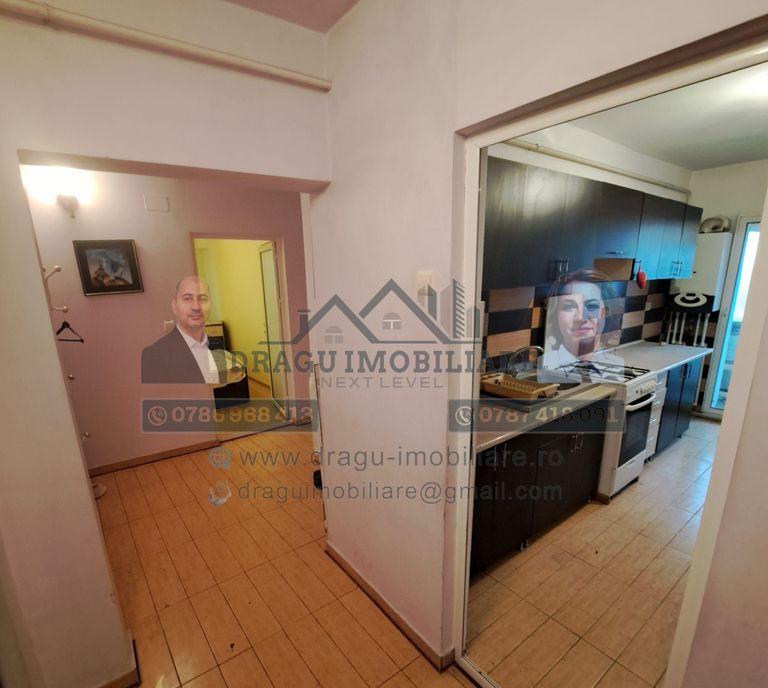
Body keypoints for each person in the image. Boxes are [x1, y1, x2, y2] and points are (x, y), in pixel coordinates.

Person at [141, 276, 243, 384]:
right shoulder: (154, 354)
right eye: (187, 299)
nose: (196, 307)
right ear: (174, 306)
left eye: (203, 299)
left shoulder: (216, 345)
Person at [540, 269, 625, 374]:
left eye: (592, 306)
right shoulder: (544, 366)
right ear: (555, 315)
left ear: (605, 313)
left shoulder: (617, 366)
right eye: (569, 307)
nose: (580, 318)